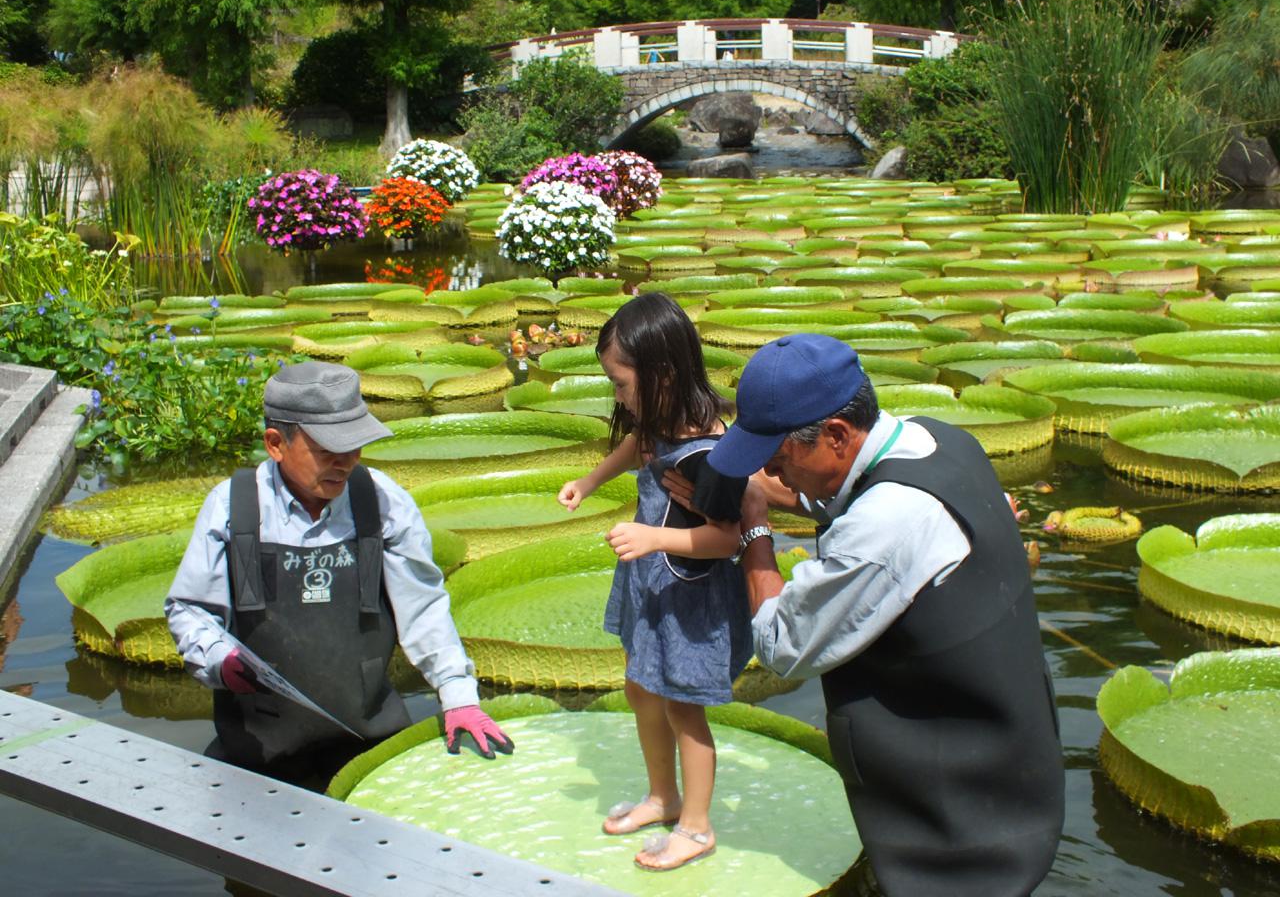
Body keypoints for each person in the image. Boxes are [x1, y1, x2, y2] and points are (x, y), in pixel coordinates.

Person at [684, 333, 1064, 896]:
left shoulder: (886, 524)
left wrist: (754, 532)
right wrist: (785, 490)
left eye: (778, 458)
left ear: (836, 434)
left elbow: (783, 643)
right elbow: (854, 498)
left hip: (957, 814)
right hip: (1014, 763)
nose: (772, 473)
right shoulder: (939, 438)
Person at [166, 361, 512, 785]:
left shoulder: (382, 502)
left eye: (355, 445)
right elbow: (190, 611)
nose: (346, 462)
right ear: (276, 444)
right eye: (327, 449)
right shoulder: (233, 508)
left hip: (368, 743)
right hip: (258, 752)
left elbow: (423, 609)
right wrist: (218, 659)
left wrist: (458, 695)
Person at [557, 292, 752, 872]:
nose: (617, 396)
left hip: (691, 594)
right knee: (642, 686)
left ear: (662, 372)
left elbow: (726, 540)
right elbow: (636, 448)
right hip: (652, 583)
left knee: (684, 705)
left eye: (620, 384)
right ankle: (662, 796)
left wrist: (654, 539)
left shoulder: (709, 452)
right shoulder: (660, 420)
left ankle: (696, 827)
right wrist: (590, 481)